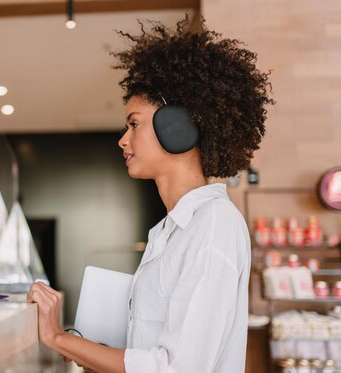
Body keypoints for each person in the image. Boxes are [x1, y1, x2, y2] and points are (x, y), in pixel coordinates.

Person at [27, 16, 273, 373]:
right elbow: (150, 349)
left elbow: (176, 368)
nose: (122, 139)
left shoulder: (214, 226)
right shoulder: (171, 231)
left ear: (177, 127)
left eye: (134, 123)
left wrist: (57, 338)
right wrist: (82, 345)